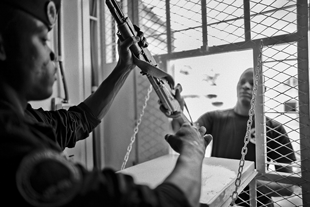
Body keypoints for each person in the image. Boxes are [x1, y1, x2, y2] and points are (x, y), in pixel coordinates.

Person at [0, 0, 213, 206]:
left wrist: (124, 67)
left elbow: (78, 120)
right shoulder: (13, 144)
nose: (53, 54)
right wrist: (194, 149)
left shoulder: (22, 120)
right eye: (43, 39)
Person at [168, 68, 296, 207]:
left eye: (253, 83)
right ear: (236, 87)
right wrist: (177, 111)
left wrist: (241, 182)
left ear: (262, 91)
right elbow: (186, 134)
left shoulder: (274, 128)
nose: (246, 86)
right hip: (221, 203)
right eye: (242, 82)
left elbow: (288, 187)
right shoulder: (215, 118)